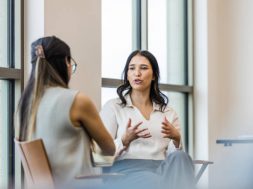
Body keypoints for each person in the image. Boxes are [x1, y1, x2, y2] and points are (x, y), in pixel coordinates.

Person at [15, 36, 115, 189]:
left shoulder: (25, 104)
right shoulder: (77, 100)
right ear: (66, 63)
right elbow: (109, 149)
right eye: (71, 63)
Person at [100, 50, 195, 189]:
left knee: (181, 157)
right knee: (154, 180)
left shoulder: (168, 113)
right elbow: (99, 156)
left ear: (154, 76)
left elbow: (177, 163)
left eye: (143, 68)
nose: (137, 73)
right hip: (125, 173)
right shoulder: (113, 107)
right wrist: (123, 140)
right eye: (131, 68)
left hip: (162, 171)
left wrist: (176, 139)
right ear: (127, 74)